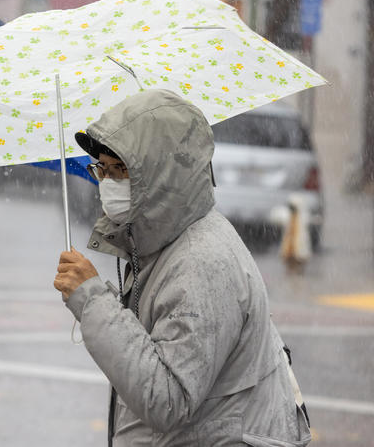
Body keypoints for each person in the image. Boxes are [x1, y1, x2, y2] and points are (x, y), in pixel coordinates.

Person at [54, 90, 311, 445]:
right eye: (103, 169)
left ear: (160, 173)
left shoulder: (201, 261)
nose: (108, 183)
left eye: (121, 170)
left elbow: (166, 399)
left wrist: (94, 301)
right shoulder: (159, 240)